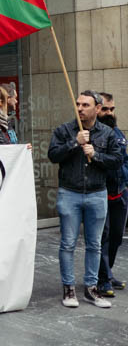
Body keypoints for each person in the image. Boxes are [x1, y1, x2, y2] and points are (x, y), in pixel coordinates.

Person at [48, 90, 122, 309]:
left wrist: (96, 155)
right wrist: (74, 143)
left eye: (85, 105)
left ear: (97, 109)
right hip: (69, 193)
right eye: (78, 104)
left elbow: (117, 160)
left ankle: (91, 288)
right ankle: (68, 288)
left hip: (97, 193)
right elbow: (53, 155)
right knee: (68, 243)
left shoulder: (107, 133)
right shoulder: (64, 130)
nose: (80, 108)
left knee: (95, 244)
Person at [96, 92, 128, 298]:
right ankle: (102, 278)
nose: (109, 113)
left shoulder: (118, 133)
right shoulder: (93, 133)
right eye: (105, 109)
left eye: (112, 109)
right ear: (97, 109)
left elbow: (125, 159)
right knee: (103, 238)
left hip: (121, 192)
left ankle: (108, 272)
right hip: (101, 193)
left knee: (116, 237)